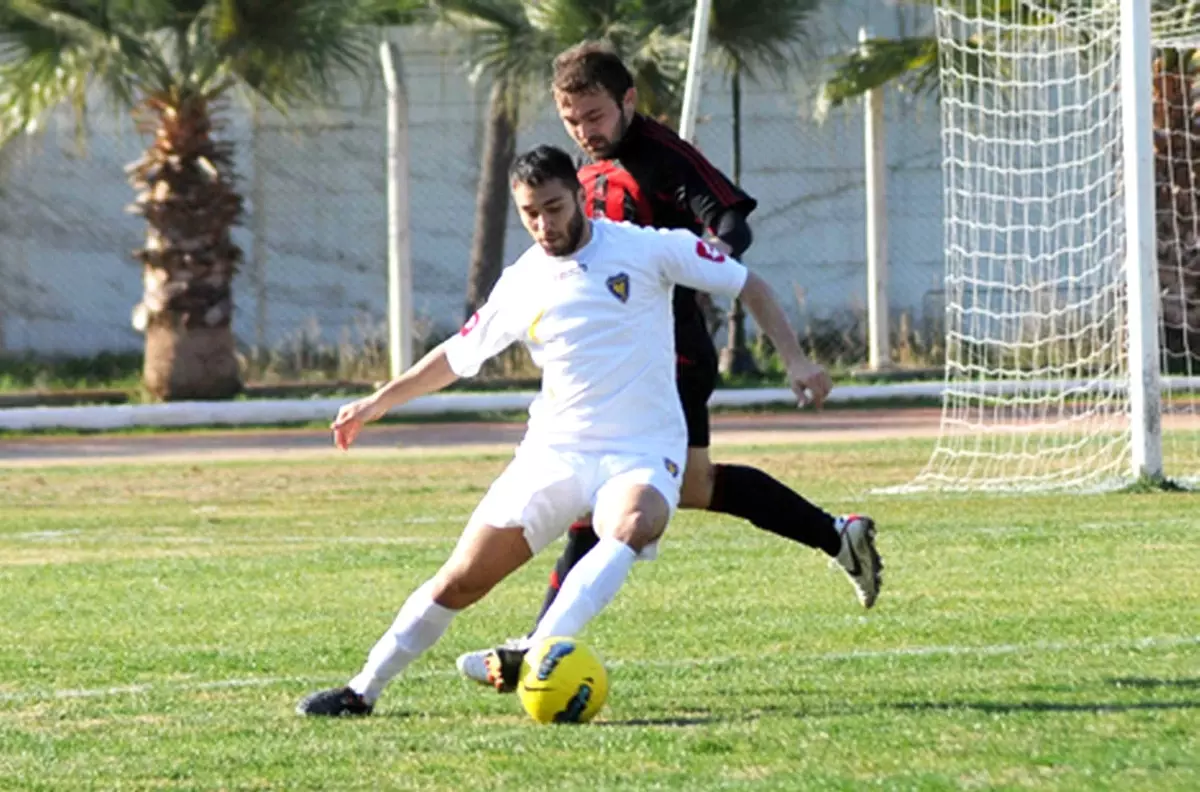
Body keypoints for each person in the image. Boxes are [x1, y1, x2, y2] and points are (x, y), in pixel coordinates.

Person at [296, 144, 834, 716]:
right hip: (554, 453)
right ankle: (361, 690)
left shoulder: (644, 247)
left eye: (554, 207)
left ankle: (534, 651)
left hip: (642, 450)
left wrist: (797, 361)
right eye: (530, 213)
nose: (543, 224)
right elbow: (457, 355)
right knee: (461, 581)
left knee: (633, 523)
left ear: (580, 195)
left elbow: (749, 283)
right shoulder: (522, 280)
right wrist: (378, 402)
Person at [455, 43, 883, 687]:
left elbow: (730, 219)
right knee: (694, 486)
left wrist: (714, 253)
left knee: (599, 503)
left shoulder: (662, 156)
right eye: (572, 121)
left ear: (628, 100)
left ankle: (534, 650)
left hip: (669, 354)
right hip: (627, 358)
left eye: (594, 115)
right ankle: (836, 534)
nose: (584, 131)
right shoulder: (586, 167)